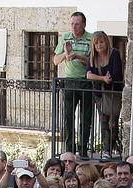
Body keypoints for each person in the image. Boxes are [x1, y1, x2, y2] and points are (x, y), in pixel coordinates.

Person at [55, 11, 94, 156]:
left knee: (86, 118)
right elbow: (55, 61)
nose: (74, 27)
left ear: (84, 24)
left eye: (77, 24)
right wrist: (65, 55)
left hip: (86, 82)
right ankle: (69, 151)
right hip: (70, 82)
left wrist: (77, 56)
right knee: (68, 117)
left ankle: (83, 150)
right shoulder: (65, 37)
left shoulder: (91, 38)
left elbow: (93, 62)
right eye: (72, 24)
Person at [87, 30, 123, 154]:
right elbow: (88, 75)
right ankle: (107, 150)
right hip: (99, 95)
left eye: (101, 42)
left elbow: (116, 74)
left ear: (106, 42)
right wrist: (102, 78)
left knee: (113, 124)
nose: (99, 45)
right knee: (103, 124)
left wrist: (103, 78)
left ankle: (112, 146)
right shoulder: (92, 56)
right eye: (96, 43)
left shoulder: (114, 54)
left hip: (113, 94)